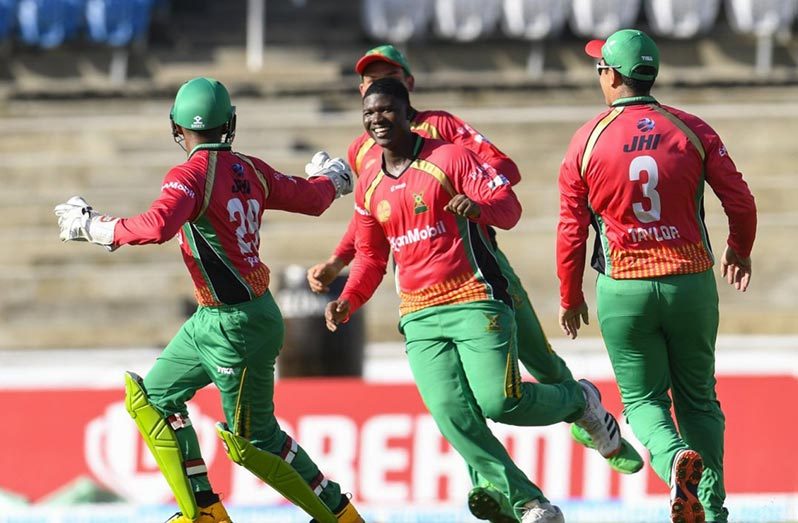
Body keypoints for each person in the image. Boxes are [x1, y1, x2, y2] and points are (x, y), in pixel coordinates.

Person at [307, 44, 643, 522]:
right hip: (420, 303)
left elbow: (503, 176)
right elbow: (375, 235)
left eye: (388, 82)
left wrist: (476, 200)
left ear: (408, 90)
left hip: (480, 270)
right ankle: (514, 496)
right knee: (454, 410)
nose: (376, 98)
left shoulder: (443, 134)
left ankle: (588, 412)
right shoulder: (364, 158)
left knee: (525, 371)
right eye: (368, 84)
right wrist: (341, 275)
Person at [54, 77, 363, 523]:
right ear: (230, 124)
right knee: (153, 398)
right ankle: (204, 511)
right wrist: (333, 178)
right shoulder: (251, 169)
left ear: (177, 130)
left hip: (236, 327)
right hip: (214, 318)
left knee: (255, 441)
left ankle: (340, 515)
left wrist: (93, 227)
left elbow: (158, 226)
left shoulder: (189, 175)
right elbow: (313, 199)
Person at [557, 30, 757, 523]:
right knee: (699, 399)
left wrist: (569, 294)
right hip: (690, 282)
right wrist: (739, 250)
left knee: (644, 400)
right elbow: (742, 201)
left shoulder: (587, 139)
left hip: (623, 288)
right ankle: (710, 509)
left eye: (600, 68)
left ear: (613, 76)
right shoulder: (690, 129)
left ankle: (673, 466)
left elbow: (571, 230)